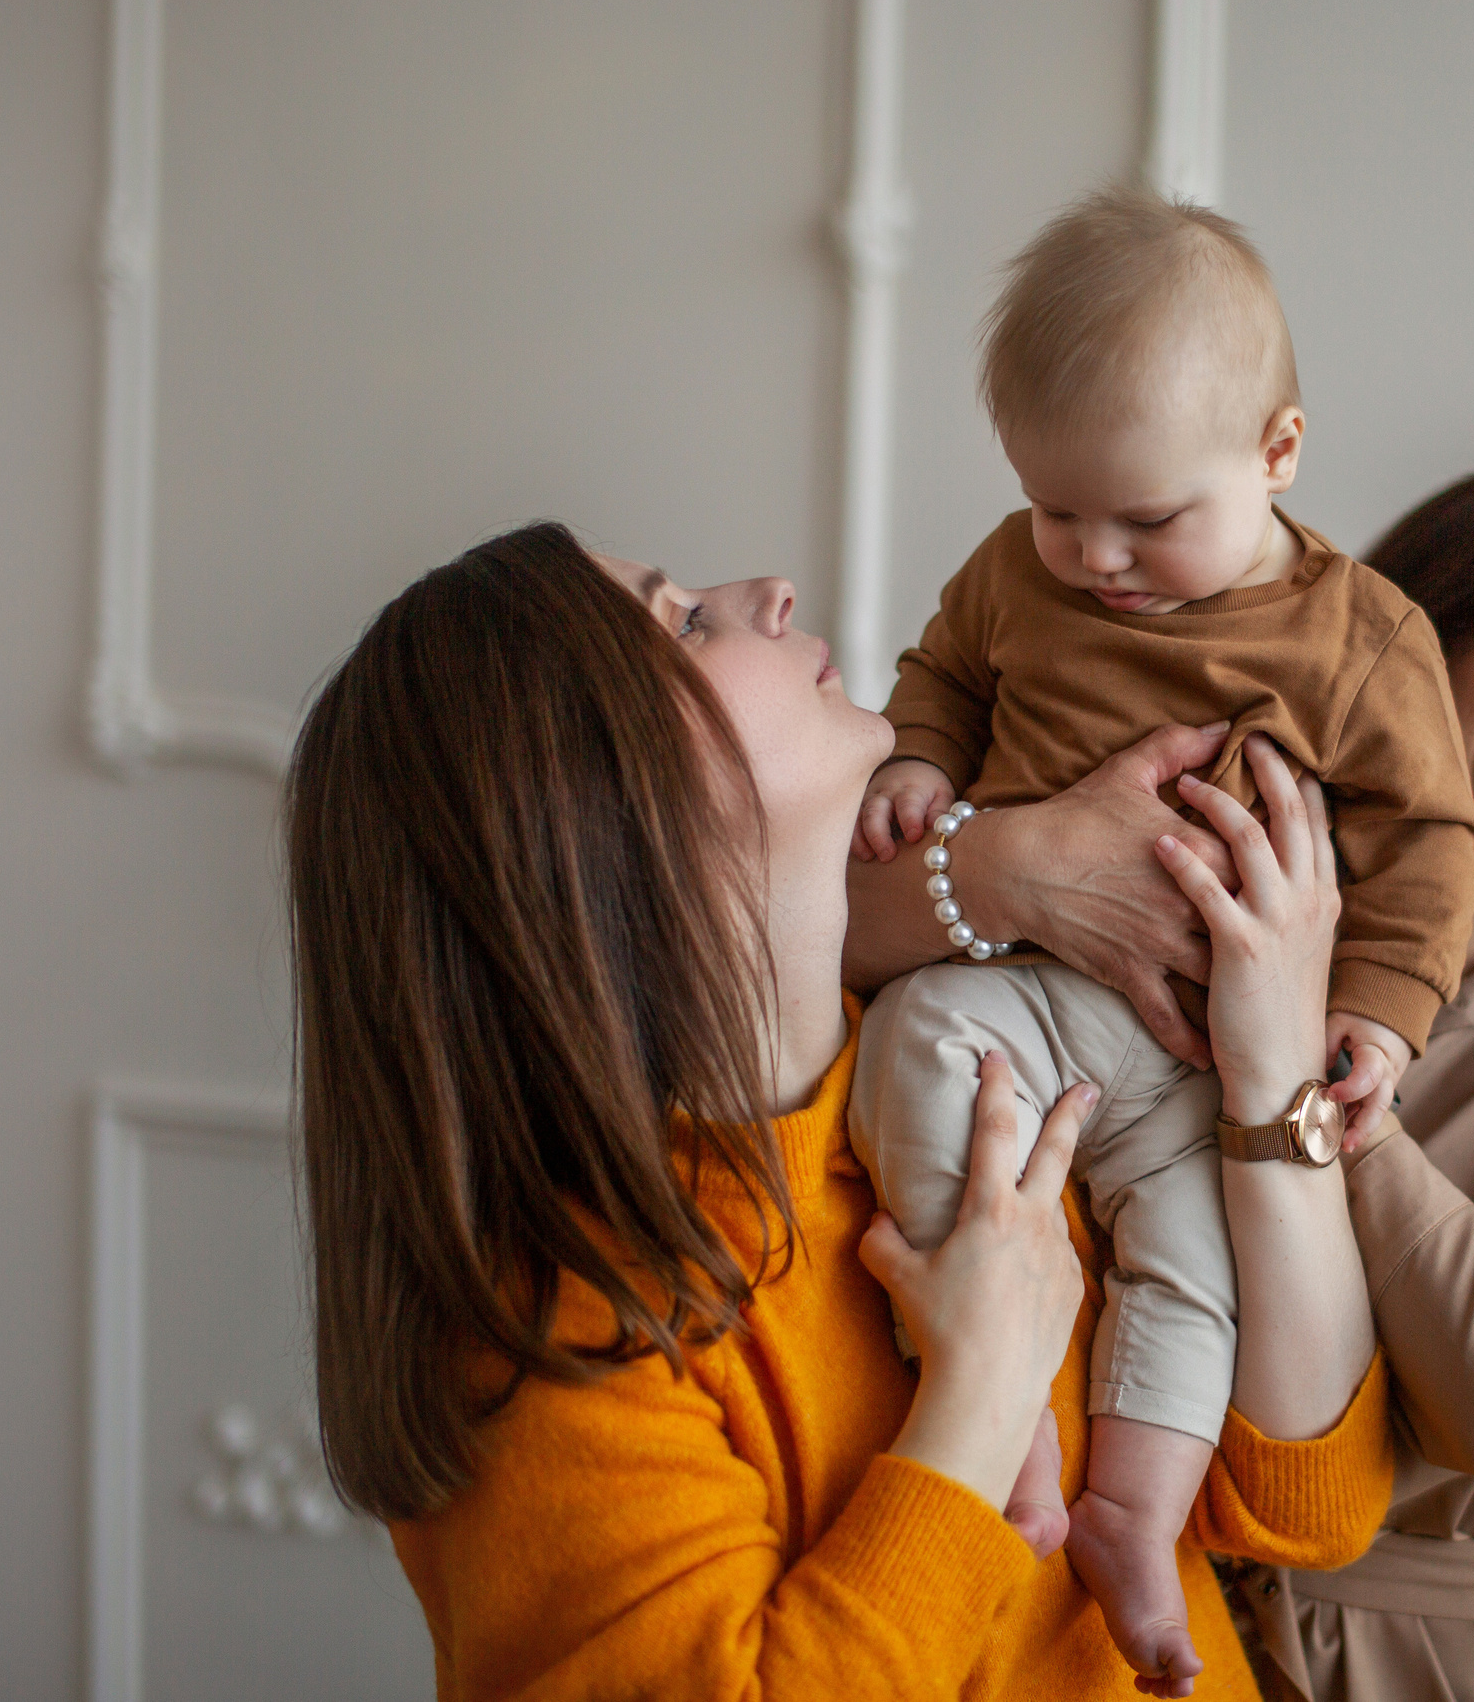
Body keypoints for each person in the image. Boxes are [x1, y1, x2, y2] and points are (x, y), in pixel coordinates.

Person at [285, 522, 1393, 1702]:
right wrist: (979, 1391)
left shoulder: (977, 1071)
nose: (767, 590)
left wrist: (1273, 1059)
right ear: (580, 812)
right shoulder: (557, 1336)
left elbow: (1302, 1506)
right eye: (683, 622)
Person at [847, 462, 1474, 1700]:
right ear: (1411, 641)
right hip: (1116, 1626)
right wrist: (1007, 865)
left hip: (1452, 1671)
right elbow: (805, 942)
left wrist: (1294, 1060)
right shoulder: (1181, 865)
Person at [848, 185, 1474, 1690]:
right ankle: (1002, 1413)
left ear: (1277, 451)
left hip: (1202, 1056)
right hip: (1012, 992)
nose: (1096, 556)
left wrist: (1380, 1019)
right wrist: (916, 765)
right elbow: (941, 670)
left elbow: (1430, 836)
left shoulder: (1359, 639)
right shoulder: (1018, 570)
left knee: (1190, 1265)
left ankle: (1131, 1507)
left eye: (1146, 519)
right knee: (912, 1045)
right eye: (1058, 509)